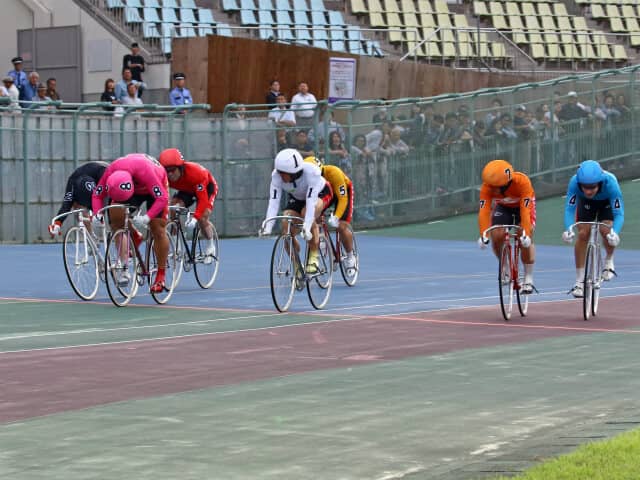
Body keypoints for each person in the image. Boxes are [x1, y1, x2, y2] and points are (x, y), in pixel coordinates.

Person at [92, 153, 170, 292]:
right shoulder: (110, 172)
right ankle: (132, 243)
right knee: (116, 216)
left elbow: (162, 198)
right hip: (130, 188)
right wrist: (97, 215)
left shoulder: (146, 172)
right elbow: (97, 195)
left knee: (157, 228)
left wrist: (147, 217)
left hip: (154, 185)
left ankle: (160, 276)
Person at [260, 148, 333, 273]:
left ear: (294, 172)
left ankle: (314, 256)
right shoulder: (276, 176)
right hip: (298, 197)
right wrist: (268, 227)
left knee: (306, 214)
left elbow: (310, 202)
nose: (280, 175)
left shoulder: (311, 173)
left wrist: (307, 226)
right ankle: (297, 265)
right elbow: (274, 201)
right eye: (279, 172)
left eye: (283, 173)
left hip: (320, 193)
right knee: (286, 225)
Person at [561, 160, 624, 297]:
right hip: (586, 203)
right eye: (585, 187)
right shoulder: (574, 182)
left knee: (606, 231)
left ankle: (609, 260)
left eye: (592, 187)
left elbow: (619, 214)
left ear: (600, 182)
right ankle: (579, 281)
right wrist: (568, 229)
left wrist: (615, 233)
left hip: (606, 203)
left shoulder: (611, 183)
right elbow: (569, 209)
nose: (588, 191)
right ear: (580, 183)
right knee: (583, 234)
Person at [478, 159, 537, 294]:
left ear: (505, 183)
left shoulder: (522, 182)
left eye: (494, 186)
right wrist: (483, 234)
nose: (490, 188)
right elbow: (484, 211)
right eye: (489, 185)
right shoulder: (487, 187)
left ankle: (528, 277)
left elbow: (525, 210)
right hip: (504, 207)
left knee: (523, 235)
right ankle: (505, 266)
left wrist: (526, 233)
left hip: (523, 207)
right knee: (496, 233)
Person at [158, 148, 219, 258]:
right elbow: (161, 196)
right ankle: (177, 247)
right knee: (173, 207)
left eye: (172, 170)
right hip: (187, 190)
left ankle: (211, 245)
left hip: (206, 188)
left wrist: (195, 218)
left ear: (180, 168)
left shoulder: (196, 174)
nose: (170, 174)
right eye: (166, 170)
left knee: (202, 218)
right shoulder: (163, 177)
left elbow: (203, 200)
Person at [304, 156, 356, 269]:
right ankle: (321, 237)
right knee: (315, 214)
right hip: (327, 193)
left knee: (341, 226)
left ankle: (350, 255)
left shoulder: (334, 173)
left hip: (343, 194)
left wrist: (337, 216)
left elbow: (343, 199)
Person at [48, 161, 109, 237]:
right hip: (86, 177)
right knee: (80, 209)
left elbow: (67, 203)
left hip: (101, 174)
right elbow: (66, 204)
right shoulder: (73, 183)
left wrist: (58, 222)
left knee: (86, 207)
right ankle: (91, 234)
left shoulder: (103, 173)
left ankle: (96, 230)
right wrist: (57, 223)